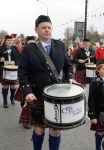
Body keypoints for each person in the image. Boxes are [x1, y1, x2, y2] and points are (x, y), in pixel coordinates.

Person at [17, 15, 76, 150]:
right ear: (36, 30)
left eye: (49, 27)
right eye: (43, 28)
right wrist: (27, 91)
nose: (47, 30)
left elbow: (68, 66)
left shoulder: (60, 45)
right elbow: (23, 72)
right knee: (39, 129)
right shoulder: (29, 49)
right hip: (37, 95)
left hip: (58, 95)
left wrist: (70, 76)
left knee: (56, 130)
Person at [21, 36, 36, 129]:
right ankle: (26, 121)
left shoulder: (41, 53)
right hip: (26, 81)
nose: (31, 45)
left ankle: (34, 119)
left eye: (33, 43)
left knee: (35, 103)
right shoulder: (24, 52)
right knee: (27, 102)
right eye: (29, 43)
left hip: (37, 81)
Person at [0, 35, 20, 108]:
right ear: (5, 41)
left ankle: (12, 98)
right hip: (3, 70)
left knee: (13, 86)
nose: (10, 42)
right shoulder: (1, 48)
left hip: (14, 70)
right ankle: (5, 101)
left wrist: (17, 64)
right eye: (8, 40)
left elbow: (19, 57)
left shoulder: (15, 48)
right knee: (5, 86)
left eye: (11, 41)